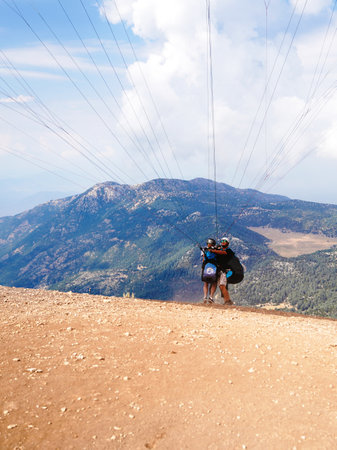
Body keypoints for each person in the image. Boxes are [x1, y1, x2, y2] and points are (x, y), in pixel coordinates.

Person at [206, 237, 234, 305]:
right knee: (220, 286)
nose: (223, 242)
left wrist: (213, 250)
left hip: (225, 271)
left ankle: (228, 301)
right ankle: (226, 300)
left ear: (227, 243)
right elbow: (212, 255)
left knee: (222, 285)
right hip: (219, 270)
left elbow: (223, 252)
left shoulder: (229, 251)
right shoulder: (219, 250)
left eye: (224, 241)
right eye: (222, 241)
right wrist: (211, 249)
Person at [201, 238, 218, 304]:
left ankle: (205, 296)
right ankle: (211, 297)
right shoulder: (216, 250)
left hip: (206, 266)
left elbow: (203, 259)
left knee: (206, 283)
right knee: (214, 283)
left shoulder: (204, 250)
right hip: (214, 267)